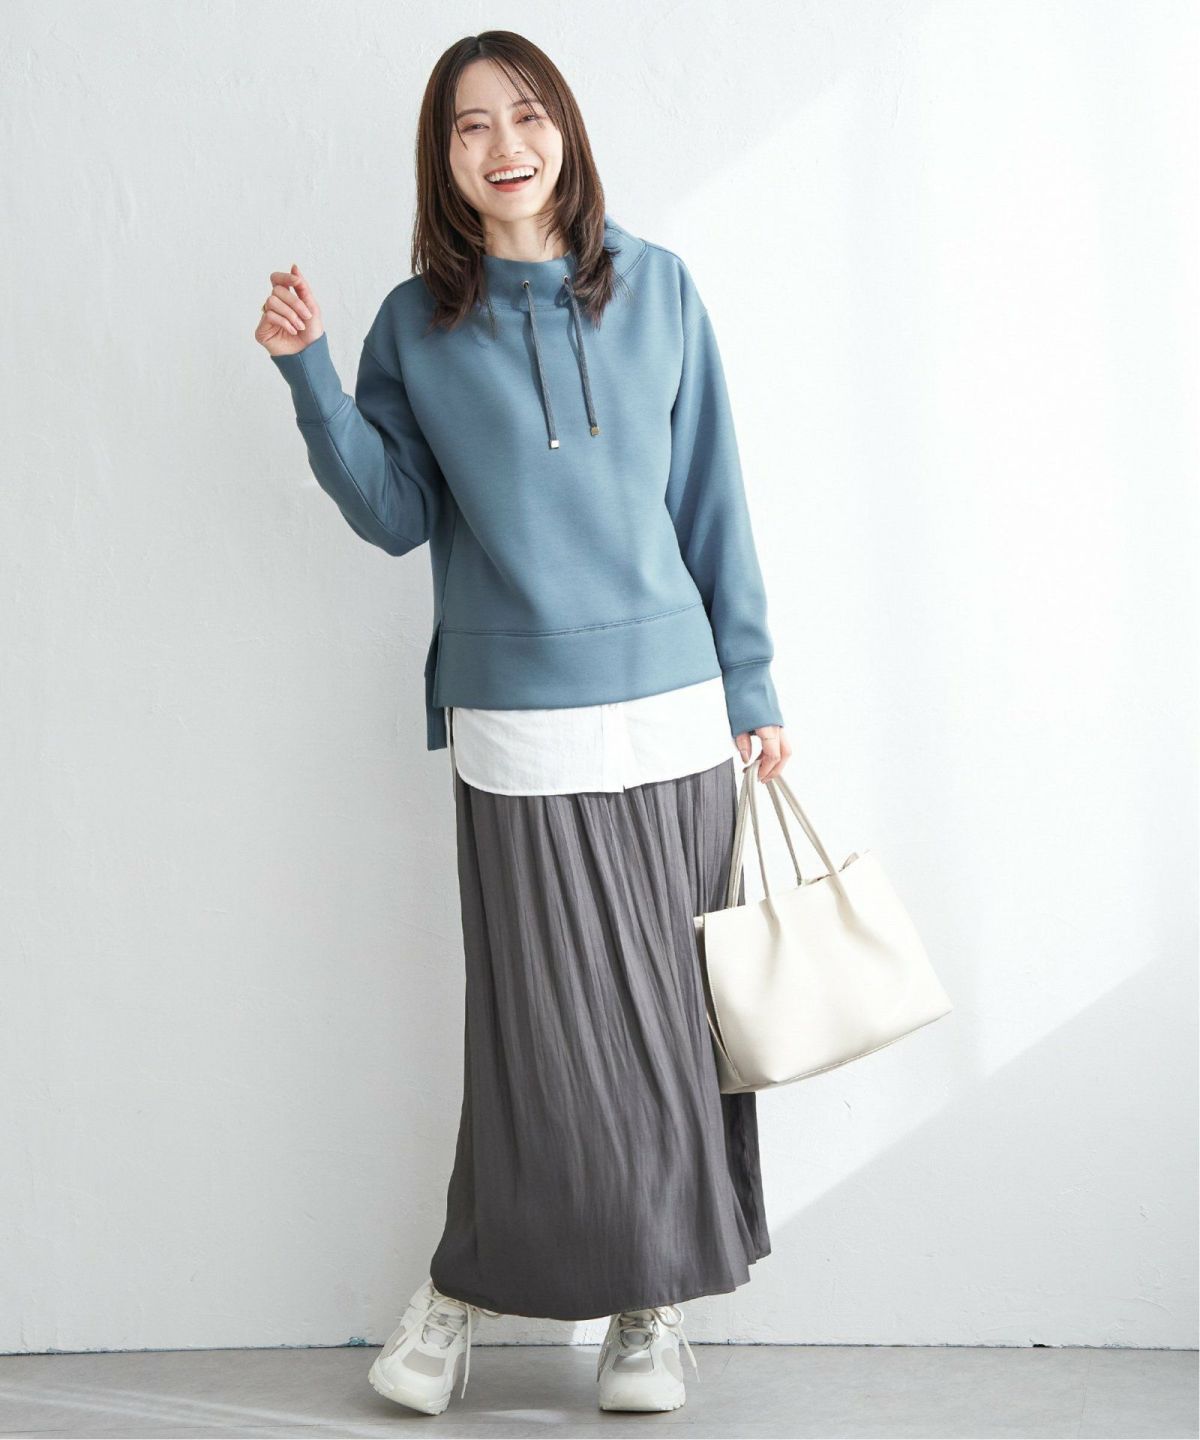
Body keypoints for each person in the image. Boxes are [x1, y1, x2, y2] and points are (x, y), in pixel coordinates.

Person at [255, 28, 791, 1419]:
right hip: (516, 724)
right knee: (536, 1049)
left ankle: (647, 1310)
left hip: (675, 716)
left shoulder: (661, 290)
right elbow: (391, 515)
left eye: (528, 113)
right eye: (470, 125)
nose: (505, 145)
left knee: (673, 1037)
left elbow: (713, 498)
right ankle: (460, 1289)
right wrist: (311, 375)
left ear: (567, 130)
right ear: (442, 159)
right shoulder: (415, 325)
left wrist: (752, 687)